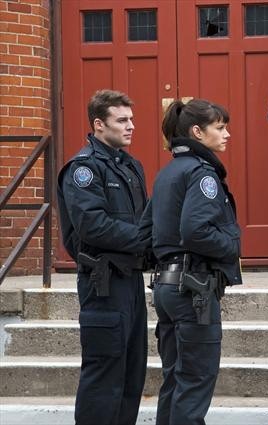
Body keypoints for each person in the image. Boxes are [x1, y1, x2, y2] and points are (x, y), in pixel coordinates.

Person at [142, 99, 243, 425]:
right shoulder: (203, 174)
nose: (227, 134)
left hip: (169, 287)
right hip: (192, 290)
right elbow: (195, 230)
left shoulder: (168, 172)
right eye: (220, 127)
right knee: (196, 377)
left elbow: (147, 233)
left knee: (175, 376)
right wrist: (232, 245)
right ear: (197, 132)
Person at [57, 89, 149, 425]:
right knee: (104, 373)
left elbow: (142, 218)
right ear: (99, 125)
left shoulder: (129, 166)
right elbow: (92, 226)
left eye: (131, 119)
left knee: (131, 371)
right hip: (103, 285)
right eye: (122, 120)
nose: (131, 126)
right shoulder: (84, 170)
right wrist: (146, 239)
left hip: (131, 280)